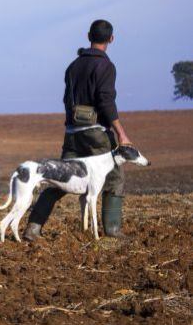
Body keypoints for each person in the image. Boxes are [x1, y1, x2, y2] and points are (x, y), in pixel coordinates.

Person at [23, 19, 132, 240]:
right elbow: (106, 102)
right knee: (114, 177)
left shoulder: (73, 67)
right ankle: (112, 230)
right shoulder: (106, 66)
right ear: (111, 39)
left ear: (88, 36)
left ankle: (33, 228)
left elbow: (66, 101)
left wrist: (73, 125)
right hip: (96, 134)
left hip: (73, 133)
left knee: (59, 180)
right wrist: (121, 133)